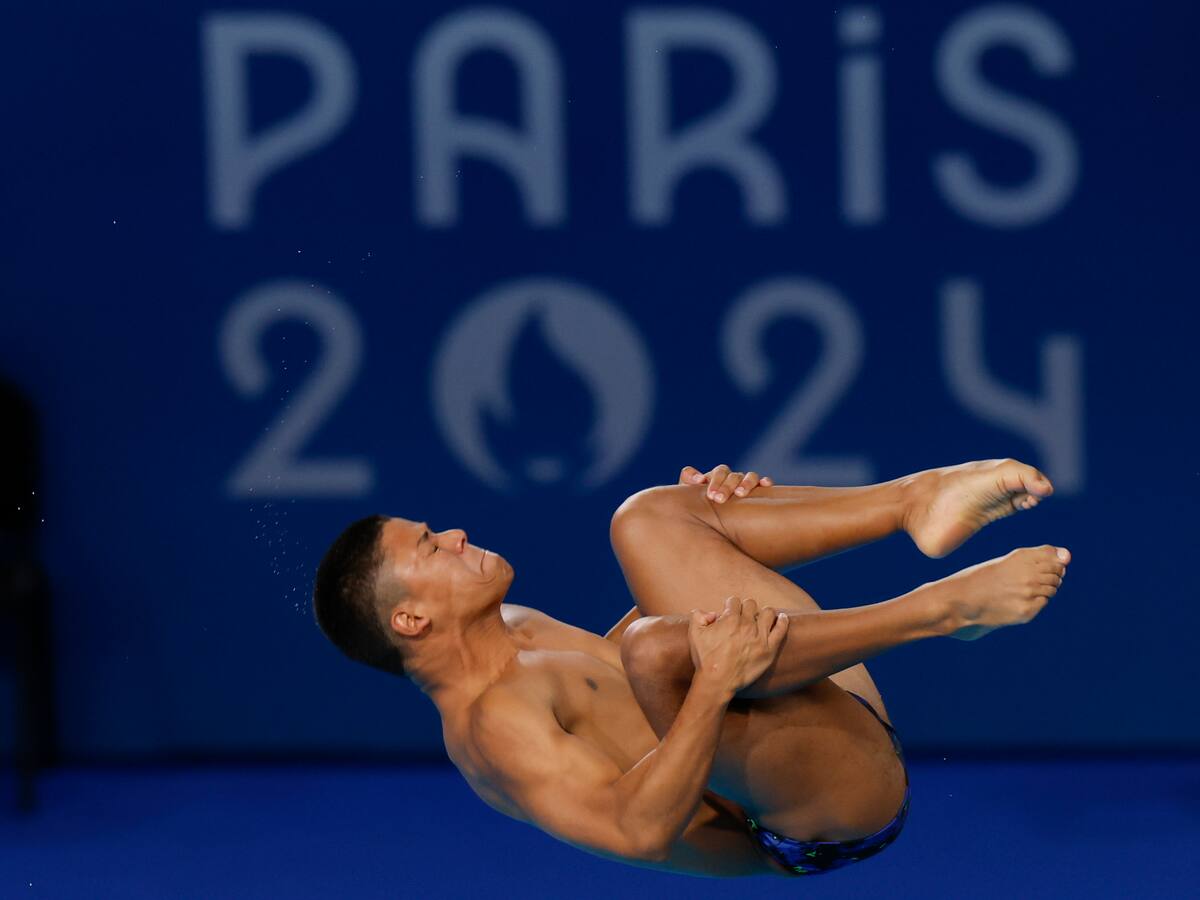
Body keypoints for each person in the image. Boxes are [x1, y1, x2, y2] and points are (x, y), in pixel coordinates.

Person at [313, 458, 1069, 876]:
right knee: (655, 649)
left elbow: (654, 670)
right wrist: (709, 685)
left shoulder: (514, 625)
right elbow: (638, 830)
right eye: (429, 546)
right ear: (410, 621)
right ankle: (943, 610)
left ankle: (914, 499)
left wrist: (715, 527)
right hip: (816, 815)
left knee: (650, 516)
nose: (454, 534)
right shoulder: (490, 731)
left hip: (814, 719)